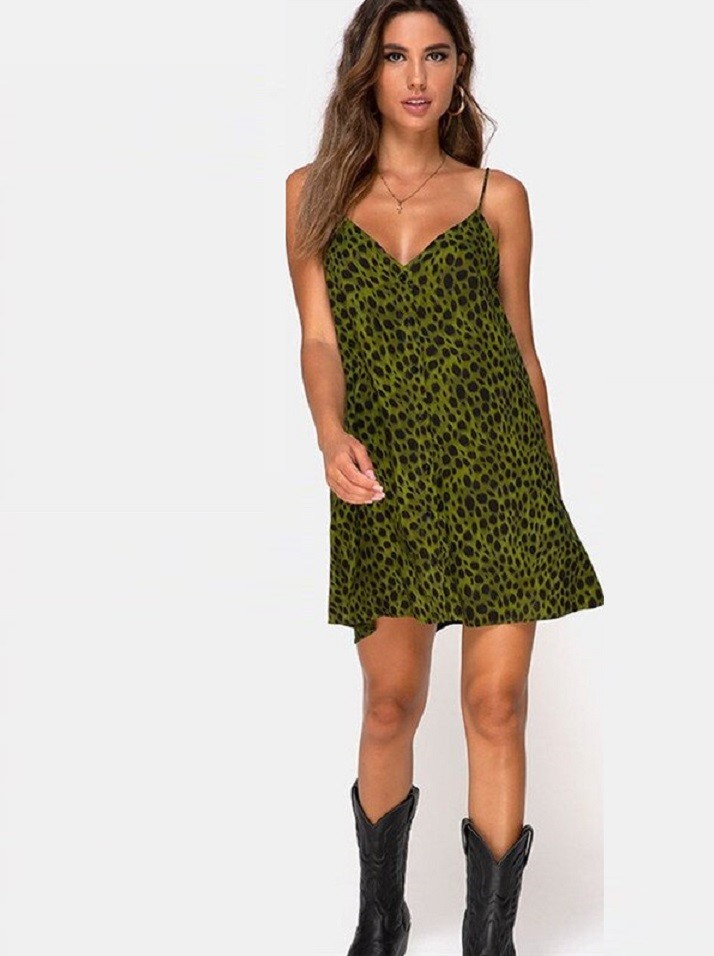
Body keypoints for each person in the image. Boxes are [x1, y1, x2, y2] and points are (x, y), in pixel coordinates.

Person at [285, 1, 604, 952]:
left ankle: (488, 941)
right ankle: (380, 922)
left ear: (459, 67)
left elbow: (524, 351)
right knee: (390, 706)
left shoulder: (496, 197)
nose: (416, 77)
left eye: (435, 55)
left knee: (495, 707)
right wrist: (329, 434)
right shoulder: (311, 194)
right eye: (396, 56)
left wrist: (547, 491)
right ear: (366, 70)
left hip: (500, 475)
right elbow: (318, 339)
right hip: (383, 475)